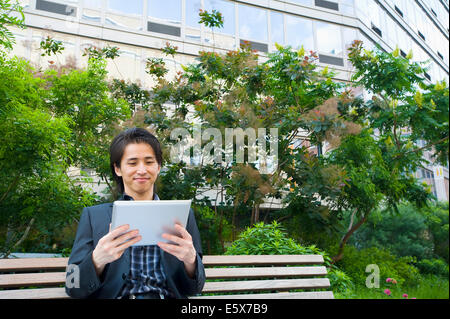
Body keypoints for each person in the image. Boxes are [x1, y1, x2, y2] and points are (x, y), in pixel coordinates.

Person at [65, 127, 205, 299]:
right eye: (132, 163)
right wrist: (97, 260)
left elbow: (195, 288)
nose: (142, 170)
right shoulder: (93, 217)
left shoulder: (181, 215)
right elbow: (72, 285)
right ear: (118, 168)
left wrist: (190, 261)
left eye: (149, 162)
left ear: (159, 166)